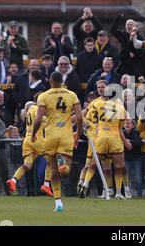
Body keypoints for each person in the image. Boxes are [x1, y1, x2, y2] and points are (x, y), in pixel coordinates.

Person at [32, 71, 83, 212]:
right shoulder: (71, 95)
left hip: (50, 136)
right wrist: (77, 135)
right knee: (65, 172)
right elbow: (79, 117)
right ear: (62, 81)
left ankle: (58, 202)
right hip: (66, 135)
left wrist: (33, 134)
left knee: (53, 171)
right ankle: (63, 164)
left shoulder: (43, 96)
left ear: (50, 80)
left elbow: (38, 119)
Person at [79, 83, 131, 199]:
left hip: (101, 137)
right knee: (119, 166)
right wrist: (126, 142)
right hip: (114, 138)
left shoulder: (99, 104)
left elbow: (86, 115)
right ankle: (118, 192)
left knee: (94, 163)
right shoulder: (120, 107)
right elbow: (120, 128)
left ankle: (86, 183)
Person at [6, 101, 52, 196]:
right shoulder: (35, 108)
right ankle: (46, 185)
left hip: (27, 140)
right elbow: (41, 119)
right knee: (51, 161)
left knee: (27, 165)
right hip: (36, 139)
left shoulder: (28, 114)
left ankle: (13, 180)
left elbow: (41, 123)